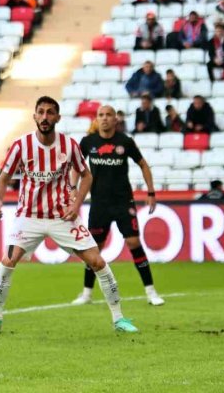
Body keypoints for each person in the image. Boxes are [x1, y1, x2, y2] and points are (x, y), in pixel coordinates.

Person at [0, 96, 138, 335]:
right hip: (29, 216)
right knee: (7, 261)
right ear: (35, 116)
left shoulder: (69, 145)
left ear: (57, 117)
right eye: (41, 112)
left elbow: (86, 175)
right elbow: (3, 178)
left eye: (50, 113)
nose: (45, 117)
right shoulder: (21, 146)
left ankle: (119, 318)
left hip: (62, 217)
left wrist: (76, 204)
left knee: (97, 261)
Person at [73, 105, 163, 306]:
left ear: (116, 120)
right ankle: (86, 293)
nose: (104, 119)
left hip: (123, 202)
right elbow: (77, 167)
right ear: (96, 119)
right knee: (93, 250)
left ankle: (151, 292)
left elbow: (143, 164)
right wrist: (73, 189)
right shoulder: (88, 142)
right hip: (99, 204)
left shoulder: (125, 141)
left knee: (133, 243)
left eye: (108, 115)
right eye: (101, 115)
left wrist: (150, 192)